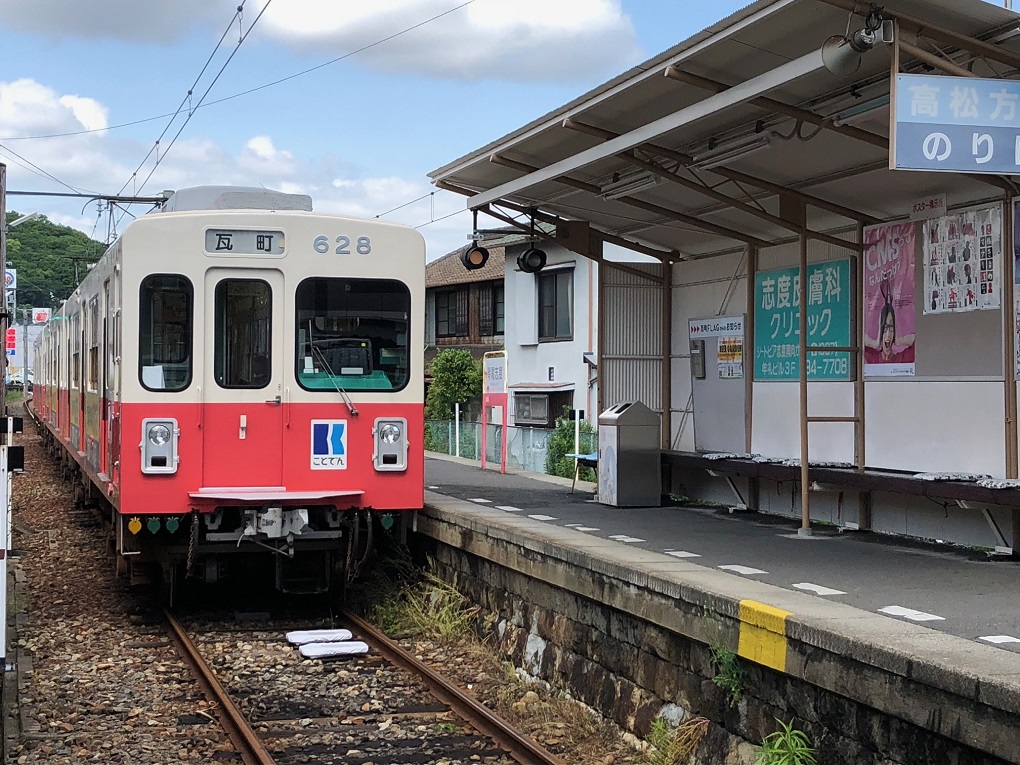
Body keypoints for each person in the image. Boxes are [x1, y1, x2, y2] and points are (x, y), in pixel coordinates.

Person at [865, 280, 915, 365]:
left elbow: (920, 343)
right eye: (884, 328)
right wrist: (875, 343)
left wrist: (899, 340)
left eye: (891, 327)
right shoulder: (873, 358)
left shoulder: (901, 359)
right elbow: (857, 340)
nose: (888, 334)